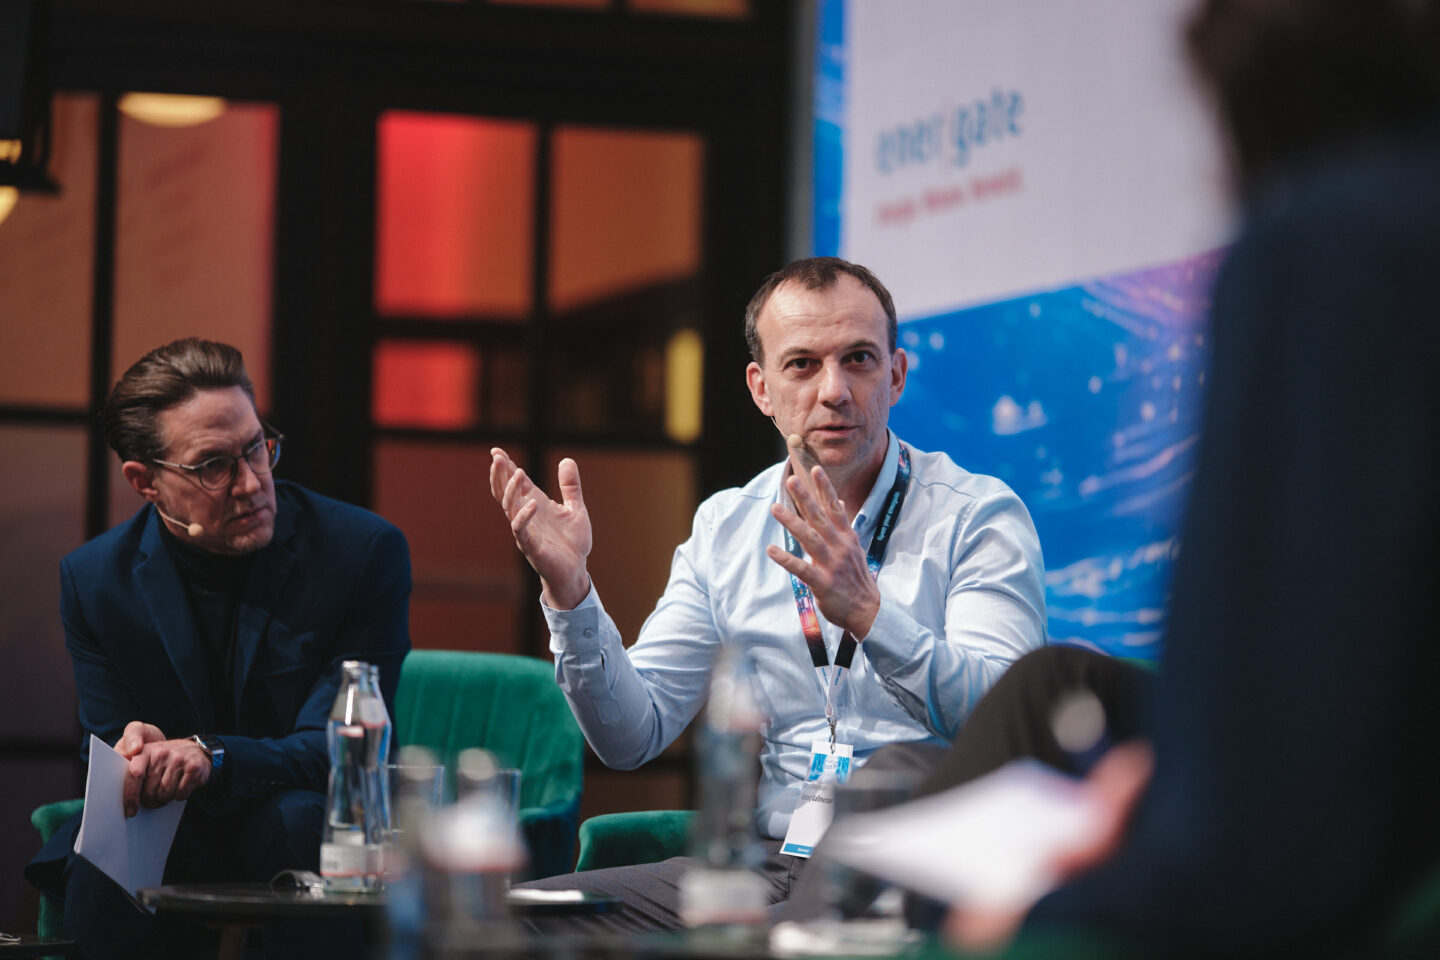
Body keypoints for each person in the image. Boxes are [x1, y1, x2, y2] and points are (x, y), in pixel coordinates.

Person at [917, 0, 1440, 955]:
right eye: (802, 365)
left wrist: (1034, 916)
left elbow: (1268, 837)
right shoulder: (727, 524)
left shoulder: (1335, 247)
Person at [488, 257, 1049, 930]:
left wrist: (871, 616)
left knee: (782, 939)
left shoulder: (977, 517)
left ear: (896, 375)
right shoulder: (726, 527)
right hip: (770, 861)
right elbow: (631, 735)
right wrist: (571, 591)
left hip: (917, 862)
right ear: (761, 388)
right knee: (518, 918)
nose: (834, 390)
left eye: (859, 359)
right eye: (803, 365)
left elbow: (1006, 718)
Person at [25, 338, 413, 960]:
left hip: (303, 814)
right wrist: (135, 754)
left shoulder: (359, 554)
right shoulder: (96, 582)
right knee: (103, 850)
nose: (252, 483)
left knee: (298, 822)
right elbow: (108, 744)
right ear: (145, 481)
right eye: (213, 466)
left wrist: (212, 755)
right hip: (176, 826)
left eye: (257, 448)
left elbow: (340, 752)